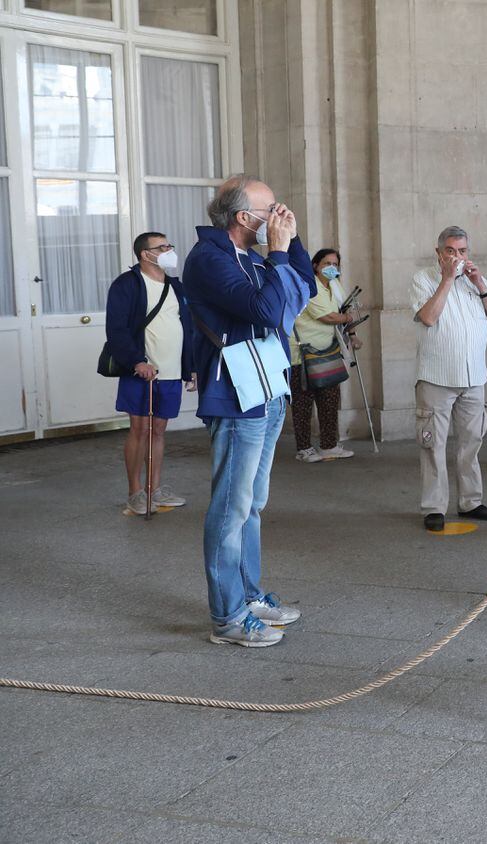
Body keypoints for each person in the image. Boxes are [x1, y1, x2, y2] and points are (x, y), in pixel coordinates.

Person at [182, 175, 313, 647]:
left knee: (252, 505)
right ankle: (228, 617)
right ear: (243, 218)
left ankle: (250, 595)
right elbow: (265, 310)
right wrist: (277, 253)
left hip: (268, 390)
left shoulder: (249, 255)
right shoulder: (210, 260)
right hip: (236, 397)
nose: (277, 215)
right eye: (270, 209)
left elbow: (303, 292)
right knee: (230, 508)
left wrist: (291, 243)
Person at [412, 225, 487, 532]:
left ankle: (470, 501)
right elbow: (428, 317)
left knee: (471, 442)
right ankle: (434, 506)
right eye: (451, 251)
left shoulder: (476, 281)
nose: (457, 257)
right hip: (436, 378)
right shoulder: (423, 279)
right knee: (433, 445)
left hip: (474, 378)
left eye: (462, 251)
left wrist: (480, 284)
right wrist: (448, 279)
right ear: (439, 253)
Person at [105, 232, 195, 515]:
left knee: (159, 430)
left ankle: (154, 490)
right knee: (140, 429)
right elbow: (116, 330)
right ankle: (135, 492)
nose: (170, 250)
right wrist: (136, 362)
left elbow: (188, 327)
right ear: (146, 254)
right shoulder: (127, 284)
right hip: (141, 371)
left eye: (170, 245)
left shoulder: (176, 286)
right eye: (163, 247)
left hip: (171, 371)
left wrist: (190, 366)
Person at [289, 248, 357, 463]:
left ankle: (329, 445)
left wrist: (352, 331)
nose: (331, 268)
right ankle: (304, 449)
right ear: (315, 265)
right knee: (303, 403)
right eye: (327, 263)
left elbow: (345, 307)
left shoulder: (334, 286)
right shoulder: (309, 286)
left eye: (335, 264)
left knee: (329, 400)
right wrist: (347, 317)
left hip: (328, 351)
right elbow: (327, 316)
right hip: (303, 353)